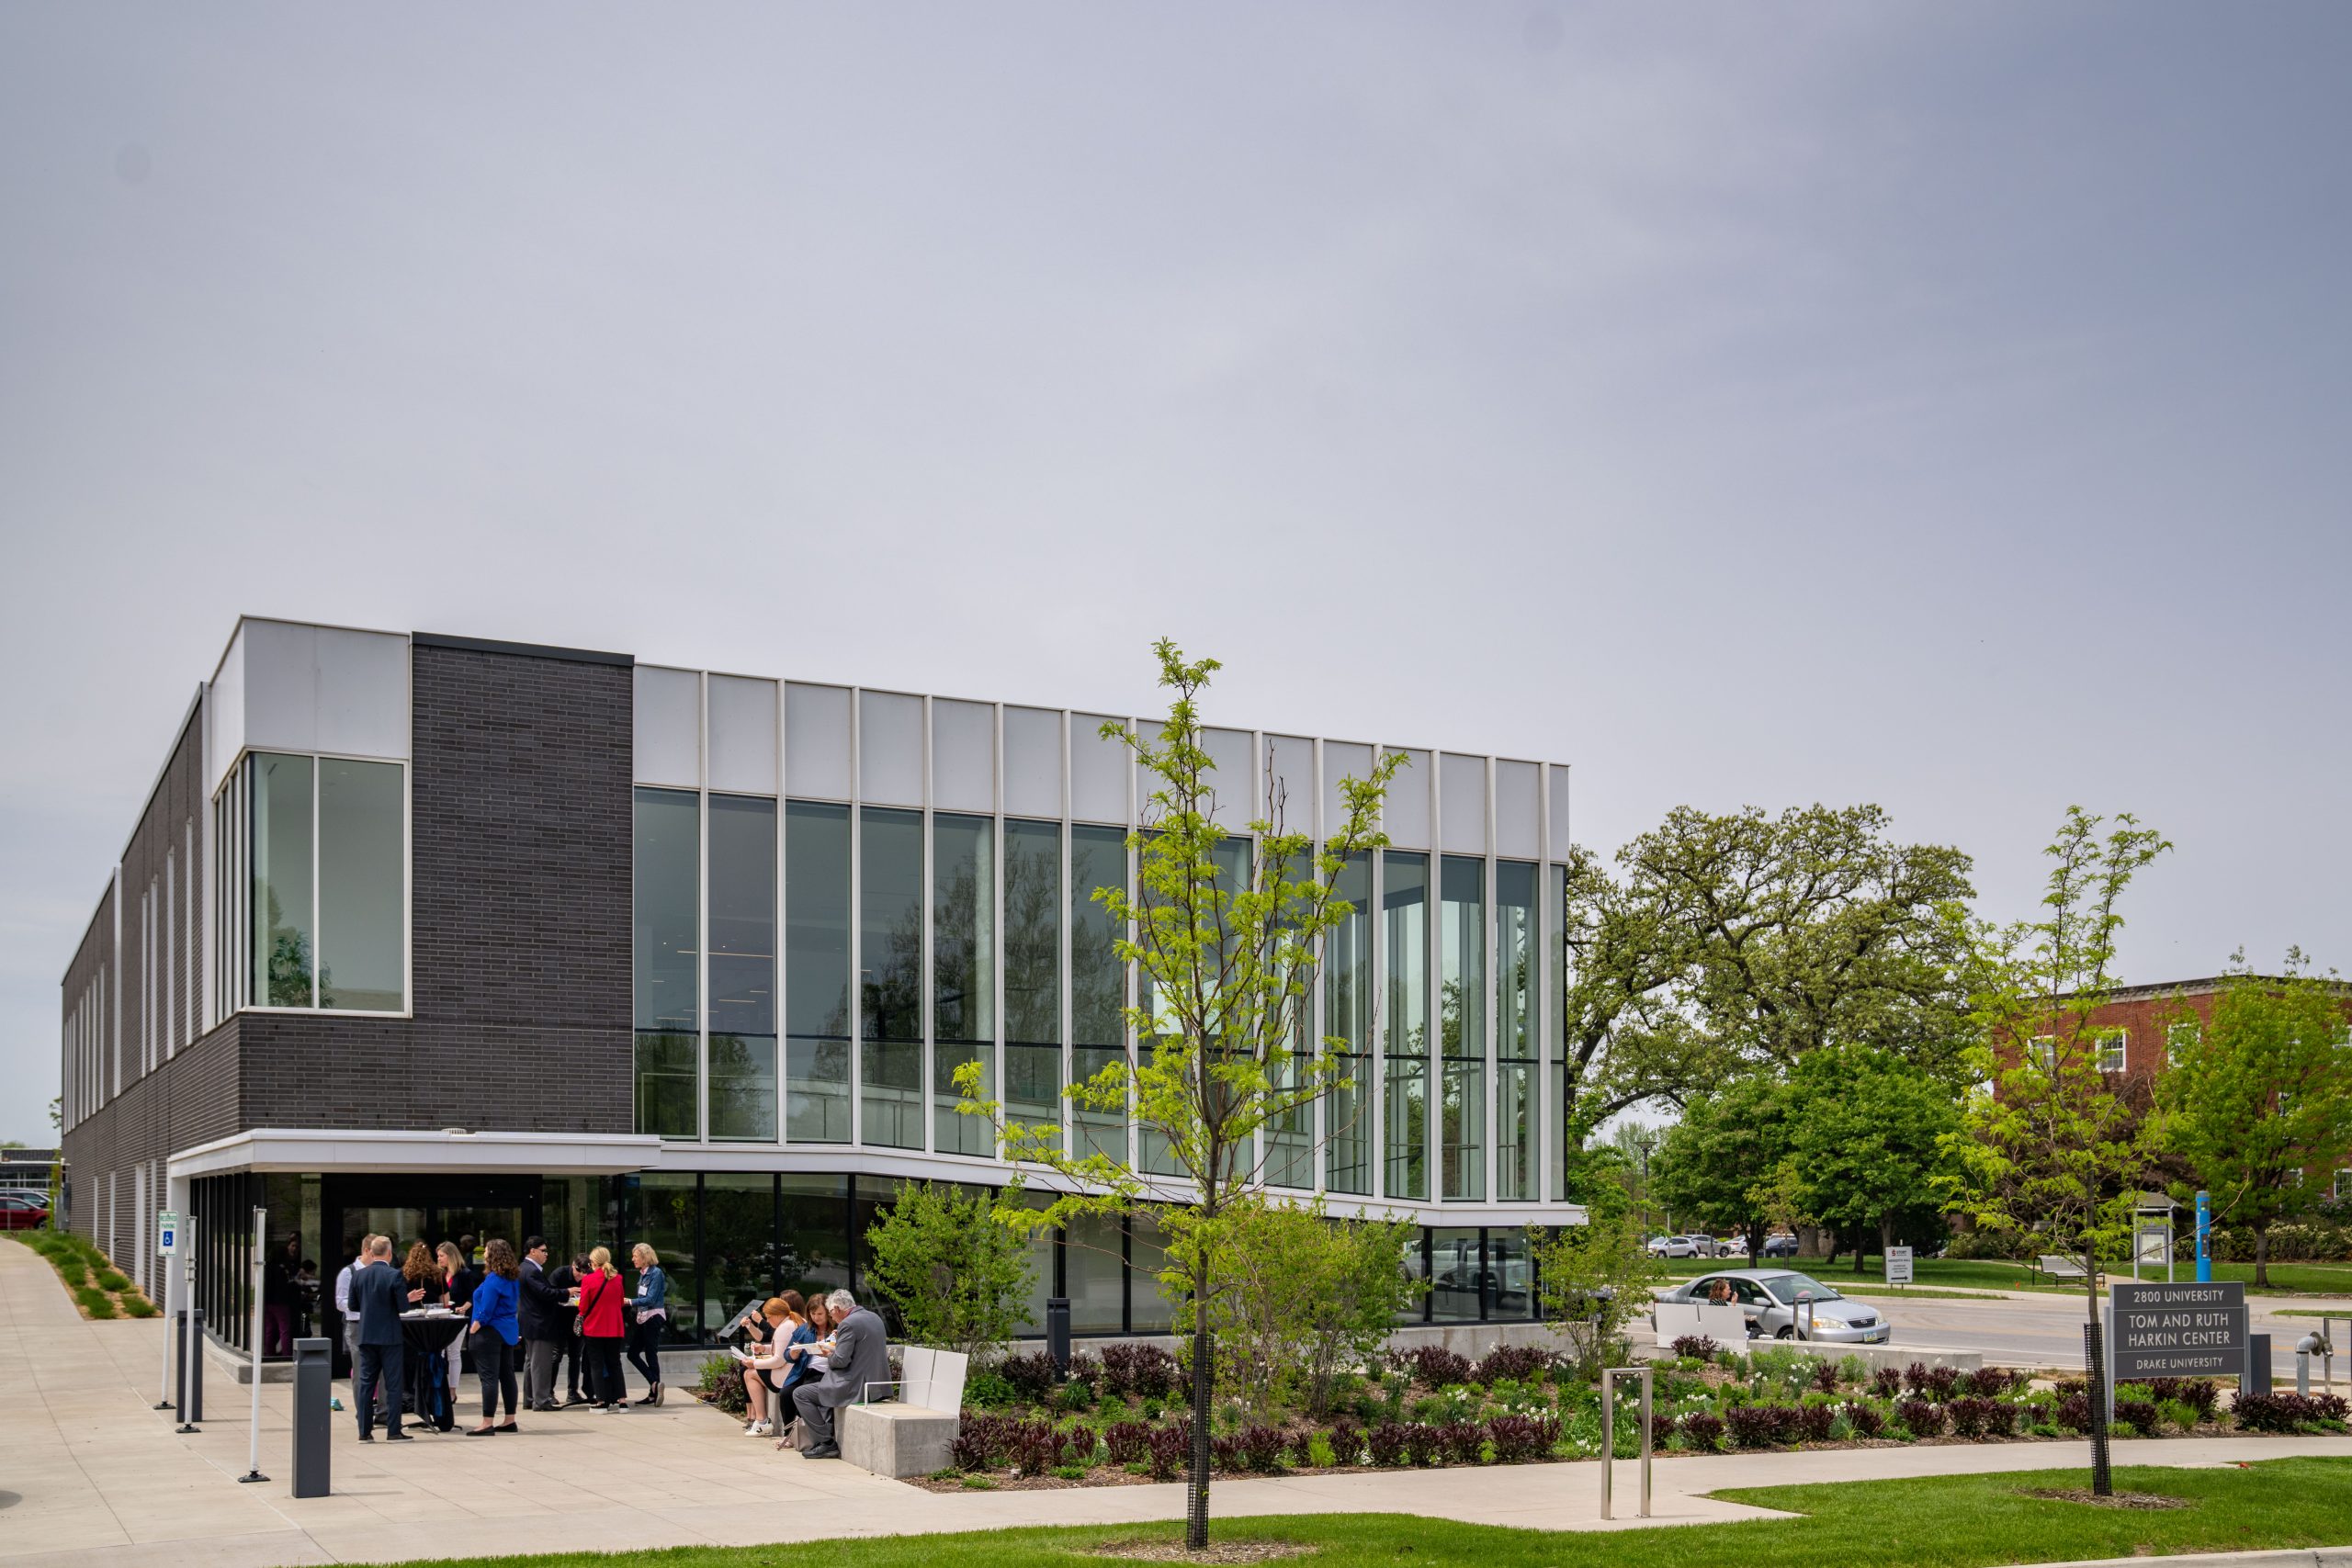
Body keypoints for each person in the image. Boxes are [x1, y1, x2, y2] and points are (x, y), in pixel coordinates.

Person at [790, 1288, 888, 1461]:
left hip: (855, 1386)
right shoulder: (874, 1317)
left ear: (836, 1308)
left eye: (830, 1313)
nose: (831, 1318)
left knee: (800, 1393)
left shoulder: (848, 1323)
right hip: (877, 1384)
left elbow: (840, 1361)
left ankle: (826, 1443)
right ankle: (825, 1439)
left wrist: (827, 1354)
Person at [350, 1235, 425, 1441]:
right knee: (393, 1384)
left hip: (366, 1335)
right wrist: (404, 1300)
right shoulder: (395, 1275)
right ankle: (393, 1430)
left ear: (371, 1252)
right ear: (390, 1253)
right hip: (390, 1337)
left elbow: (353, 1306)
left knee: (366, 1384)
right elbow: (402, 1307)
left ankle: (364, 1432)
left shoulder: (358, 1275)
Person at [465, 1239, 523, 1436]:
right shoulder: (513, 1277)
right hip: (508, 1330)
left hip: (489, 1331)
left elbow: (487, 1308)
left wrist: (475, 1325)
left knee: (489, 1378)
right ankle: (509, 1420)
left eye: (487, 1251)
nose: (485, 1254)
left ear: (494, 1255)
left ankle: (487, 1422)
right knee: (507, 1375)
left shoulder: (493, 1279)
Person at [738, 1292, 808, 1438]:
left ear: (776, 1315)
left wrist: (754, 1363)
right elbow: (782, 1349)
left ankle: (762, 1421)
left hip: (787, 1375)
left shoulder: (785, 1326)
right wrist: (764, 1349)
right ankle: (760, 1421)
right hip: (792, 1371)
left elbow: (778, 1360)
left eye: (768, 1318)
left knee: (749, 1374)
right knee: (749, 1371)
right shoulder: (794, 1321)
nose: (767, 1322)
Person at [578, 1246, 628, 1411]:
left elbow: (583, 1307)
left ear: (593, 1262)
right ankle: (622, 1401)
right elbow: (620, 1302)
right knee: (615, 1363)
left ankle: (600, 1402)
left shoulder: (588, 1280)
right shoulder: (618, 1278)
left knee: (596, 1365)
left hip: (595, 1328)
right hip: (615, 1327)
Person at [516, 1236, 563, 1412]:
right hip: (539, 1324)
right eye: (543, 1250)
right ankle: (542, 1400)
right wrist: (566, 1292)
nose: (546, 1254)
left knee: (531, 1362)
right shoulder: (530, 1270)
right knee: (540, 1363)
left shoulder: (525, 1268)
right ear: (532, 1251)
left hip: (531, 1323)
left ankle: (530, 1398)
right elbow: (544, 1292)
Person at [626, 1243, 670, 1406]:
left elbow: (650, 1299)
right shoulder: (643, 1273)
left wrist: (629, 1302)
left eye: (635, 1256)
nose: (633, 1259)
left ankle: (653, 1392)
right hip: (643, 1316)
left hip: (653, 1316)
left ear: (644, 1257)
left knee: (651, 1353)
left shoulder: (656, 1273)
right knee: (633, 1353)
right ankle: (655, 1385)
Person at [550, 1252, 590, 1406]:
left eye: (584, 1273)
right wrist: (567, 1292)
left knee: (575, 1356)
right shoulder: (559, 1274)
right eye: (578, 1271)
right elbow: (549, 1293)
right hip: (559, 1320)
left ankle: (573, 1391)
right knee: (556, 1356)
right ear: (573, 1265)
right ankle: (549, 1391)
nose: (580, 1276)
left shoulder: (588, 1276)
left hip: (577, 1320)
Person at [262, 1235, 299, 1357]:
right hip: (281, 1303)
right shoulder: (283, 1268)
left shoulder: (266, 1267)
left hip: (268, 1302)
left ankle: (269, 1353)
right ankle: (287, 1354)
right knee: (285, 1330)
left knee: (269, 1329)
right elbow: (288, 1284)